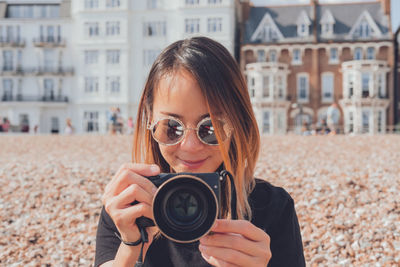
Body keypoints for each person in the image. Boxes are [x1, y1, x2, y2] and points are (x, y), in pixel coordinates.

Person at [95, 37, 305, 267]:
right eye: (172, 128)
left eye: (210, 127)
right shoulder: (129, 205)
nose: (190, 146)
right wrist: (130, 247)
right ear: (149, 118)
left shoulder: (273, 208)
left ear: (238, 122)